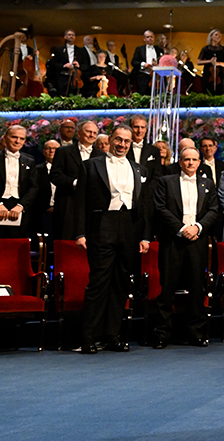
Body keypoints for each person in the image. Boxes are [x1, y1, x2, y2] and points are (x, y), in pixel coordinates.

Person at [73, 125, 151, 354]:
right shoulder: (90, 165)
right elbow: (80, 203)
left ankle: (112, 336)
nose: (122, 144)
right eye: (119, 140)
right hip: (101, 227)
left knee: (121, 284)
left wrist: (145, 236)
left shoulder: (140, 170)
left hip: (130, 229)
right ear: (109, 140)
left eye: (127, 141)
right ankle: (88, 337)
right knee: (98, 283)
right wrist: (80, 233)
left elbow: (144, 206)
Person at [151, 146, 218, 349]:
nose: (190, 163)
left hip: (197, 240)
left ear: (199, 163)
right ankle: (162, 334)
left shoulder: (208, 184)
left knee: (197, 288)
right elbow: (160, 208)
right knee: (167, 287)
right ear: (180, 162)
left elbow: (214, 210)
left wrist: (197, 227)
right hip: (173, 241)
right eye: (186, 159)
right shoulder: (166, 182)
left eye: (194, 160)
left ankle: (196, 334)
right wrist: (181, 229)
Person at [0, 125, 38, 239]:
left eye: (21, 138)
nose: (17, 141)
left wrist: (21, 206)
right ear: (5, 138)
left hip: (19, 210)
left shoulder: (30, 161)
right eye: (14, 137)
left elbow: (34, 187)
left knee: (16, 248)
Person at [49, 120, 105, 240]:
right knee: (66, 240)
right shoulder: (63, 151)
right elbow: (55, 175)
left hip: (91, 206)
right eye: (88, 132)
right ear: (79, 133)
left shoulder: (102, 156)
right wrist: (74, 183)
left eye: (94, 133)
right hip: (68, 204)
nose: (92, 135)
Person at [34, 139, 60, 239]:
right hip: (41, 214)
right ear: (43, 151)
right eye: (49, 149)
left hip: (62, 213)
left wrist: (57, 206)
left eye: (55, 149)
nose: (52, 151)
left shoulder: (67, 170)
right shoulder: (36, 170)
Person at [53, 29, 88, 96]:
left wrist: (79, 65)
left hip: (76, 78)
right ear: (65, 37)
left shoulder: (81, 50)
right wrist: (63, 66)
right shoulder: (58, 50)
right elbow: (53, 64)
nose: (71, 36)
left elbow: (86, 65)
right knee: (63, 95)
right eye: (69, 35)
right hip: (63, 77)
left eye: (73, 35)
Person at [198, 29, 224, 95]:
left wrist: (218, 63)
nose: (218, 37)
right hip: (208, 74)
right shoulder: (205, 49)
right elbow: (198, 61)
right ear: (211, 36)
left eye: (219, 36)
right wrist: (210, 61)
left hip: (220, 75)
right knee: (207, 92)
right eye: (216, 35)